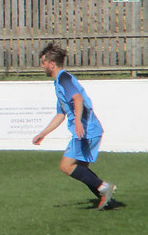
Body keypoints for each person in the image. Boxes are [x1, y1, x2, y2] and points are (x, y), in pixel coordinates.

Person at [32, 42, 115, 210]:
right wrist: (43, 133)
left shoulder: (64, 78)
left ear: (51, 64)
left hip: (85, 130)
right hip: (89, 130)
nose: (42, 66)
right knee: (81, 170)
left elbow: (78, 98)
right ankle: (107, 200)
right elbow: (60, 114)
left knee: (66, 166)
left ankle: (105, 187)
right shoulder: (59, 83)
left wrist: (77, 122)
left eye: (43, 62)